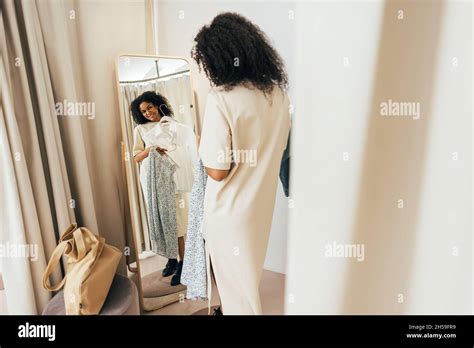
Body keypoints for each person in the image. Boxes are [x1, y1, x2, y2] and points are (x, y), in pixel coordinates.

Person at [192, 12, 291, 314]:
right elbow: (282, 150)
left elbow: (218, 171)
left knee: (239, 295)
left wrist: (201, 147)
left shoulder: (222, 99)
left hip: (228, 212)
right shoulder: (278, 94)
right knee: (246, 280)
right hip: (259, 208)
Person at [131, 91, 186, 286]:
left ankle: (182, 263)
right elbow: (136, 157)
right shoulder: (140, 130)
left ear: (157, 105)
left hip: (171, 175)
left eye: (150, 108)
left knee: (176, 219)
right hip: (150, 178)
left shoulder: (171, 125)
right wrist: (150, 149)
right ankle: (171, 258)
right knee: (161, 218)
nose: (147, 113)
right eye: (143, 111)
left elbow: (183, 149)